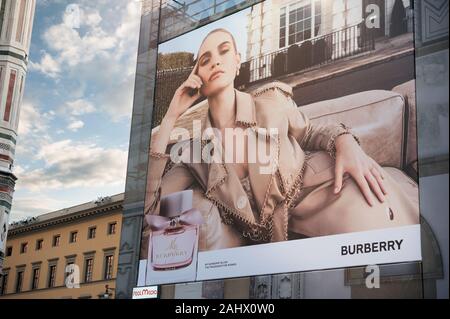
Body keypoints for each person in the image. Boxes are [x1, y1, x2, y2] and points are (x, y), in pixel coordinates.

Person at [142, 28, 419, 253]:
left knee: (381, 235)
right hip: (274, 248)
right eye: (204, 59)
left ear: (237, 61)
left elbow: (310, 132)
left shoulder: (272, 101)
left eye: (224, 51)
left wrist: (346, 141)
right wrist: (170, 117)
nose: (215, 61)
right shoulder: (193, 152)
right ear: (197, 76)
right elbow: (153, 213)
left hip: (321, 193)